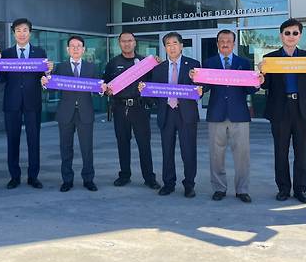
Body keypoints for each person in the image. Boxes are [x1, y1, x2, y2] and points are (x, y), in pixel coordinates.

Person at [259, 18, 306, 204]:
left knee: (301, 152)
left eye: (295, 33)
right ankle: (283, 188)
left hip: (301, 109)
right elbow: (265, 85)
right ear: (281, 35)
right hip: (279, 110)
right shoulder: (270, 59)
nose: (291, 36)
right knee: (280, 152)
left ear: (300, 35)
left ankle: (300, 189)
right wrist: (261, 75)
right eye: (287, 33)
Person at [191, 30, 262, 203]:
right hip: (216, 114)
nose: (225, 43)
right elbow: (204, 88)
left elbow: (250, 90)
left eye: (228, 41)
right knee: (216, 155)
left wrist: (258, 82)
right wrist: (196, 80)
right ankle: (219, 188)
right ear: (217, 43)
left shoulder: (244, 63)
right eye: (221, 40)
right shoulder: (209, 63)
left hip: (239, 115)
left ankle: (242, 189)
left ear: (233, 43)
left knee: (242, 155)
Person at [0, 18, 51, 190]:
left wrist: (47, 74)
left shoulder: (39, 53)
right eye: (18, 30)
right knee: (12, 140)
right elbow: (1, 79)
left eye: (25, 30)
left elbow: (43, 78)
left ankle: (33, 176)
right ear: (13, 33)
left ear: (30, 32)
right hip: (12, 103)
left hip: (32, 102)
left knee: (33, 140)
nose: (22, 33)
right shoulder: (6, 54)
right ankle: (14, 177)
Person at [142, 32, 201, 198]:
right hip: (166, 113)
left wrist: (197, 83)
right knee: (167, 151)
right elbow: (155, 94)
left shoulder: (194, 65)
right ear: (165, 47)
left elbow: (202, 89)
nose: (172, 47)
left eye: (175, 43)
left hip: (186, 115)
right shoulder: (159, 68)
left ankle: (189, 185)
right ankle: (168, 183)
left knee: (188, 151)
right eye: (168, 44)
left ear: (181, 46)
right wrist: (145, 91)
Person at [43, 36, 105, 192]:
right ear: (67, 50)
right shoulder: (60, 67)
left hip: (85, 113)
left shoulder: (92, 68)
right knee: (65, 148)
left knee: (87, 148)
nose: (76, 48)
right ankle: (67, 180)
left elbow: (97, 90)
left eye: (79, 46)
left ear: (84, 49)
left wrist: (102, 89)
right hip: (66, 113)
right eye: (72, 46)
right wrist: (45, 82)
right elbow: (52, 89)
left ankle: (88, 179)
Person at [103, 32, 160, 190]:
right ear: (119, 43)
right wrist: (106, 90)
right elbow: (105, 84)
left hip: (139, 108)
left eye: (130, 41)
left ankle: (149, 177)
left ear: (135, 43)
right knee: (122, 143)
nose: (127, 44)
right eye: (123, 41)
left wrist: (158, 64)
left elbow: (155, 82)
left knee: (144, 144)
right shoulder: (112, 63)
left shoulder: (145, 62)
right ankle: (124, 175)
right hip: (120, 108)